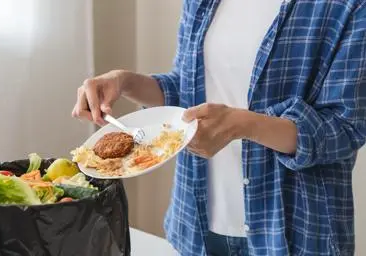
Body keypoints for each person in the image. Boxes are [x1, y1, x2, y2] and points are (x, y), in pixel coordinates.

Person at [72, 0, 366, 255]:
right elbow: (188, 91)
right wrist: (124, 81)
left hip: (294, 232)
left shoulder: (349, 6)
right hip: (197, 226)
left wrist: (245, 125)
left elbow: (344, 128)